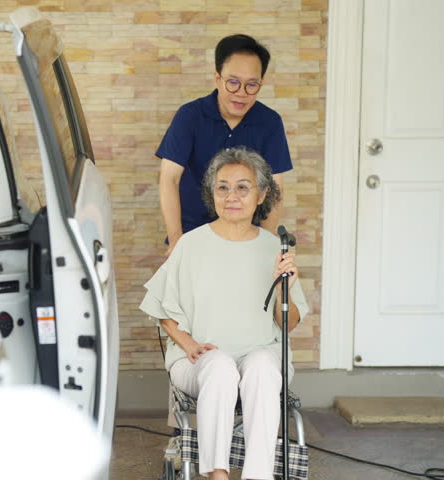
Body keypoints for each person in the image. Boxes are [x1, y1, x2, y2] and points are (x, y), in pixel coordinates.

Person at [140, 148, 308, 480]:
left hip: (260, 352)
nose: (231, 196)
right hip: (200, 358)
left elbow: (287, 324)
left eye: (243, 187)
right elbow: (162, 307)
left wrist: (284, 287)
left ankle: (256, 476)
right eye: (223, 187)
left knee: (261, 366)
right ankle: (217, 475)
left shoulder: (275, 247)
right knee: (219, 367)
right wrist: (187, 344)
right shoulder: (190, 244)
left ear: (262, 195)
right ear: (212, 194)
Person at [157, 34, 293, 255]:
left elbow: (275, 189)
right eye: (233, 82)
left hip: (248, 237)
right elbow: (169, 178)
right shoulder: (190, 116)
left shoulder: (270, 122)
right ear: (217, 78)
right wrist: (176, 240)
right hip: (193, 235)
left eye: (251, 85)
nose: (241, 93)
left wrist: (266, 245)